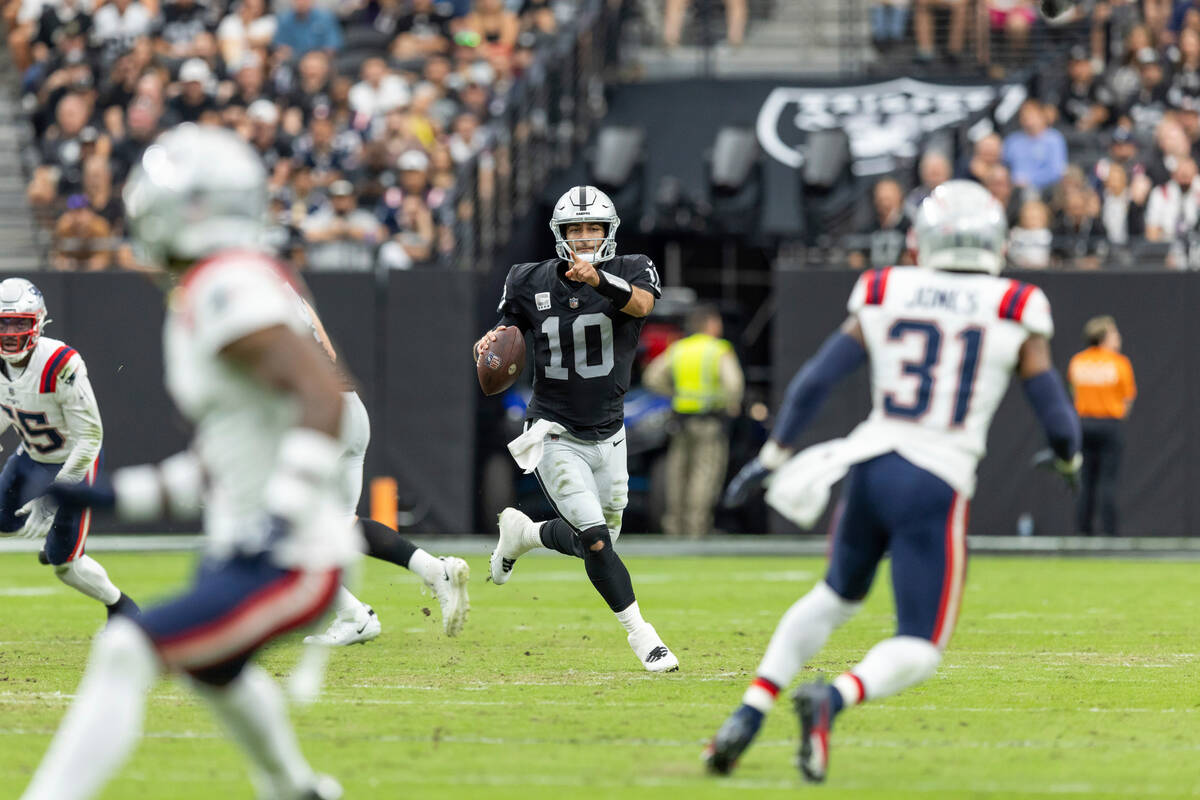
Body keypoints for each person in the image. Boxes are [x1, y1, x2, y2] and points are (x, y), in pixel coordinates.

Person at [705, 180, 1081, 782]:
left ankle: (748, 715)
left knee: (832, 598)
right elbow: (1057, 417)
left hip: (871, 465)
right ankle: (835, 699)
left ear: (923, 240)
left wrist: (773, 457)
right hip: (935, 479)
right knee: (920, 644)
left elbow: (814, 382)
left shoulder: (887, 288)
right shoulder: (1015, 303)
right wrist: (1068, 460)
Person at [20, 126, 355, 800]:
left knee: (125, 651)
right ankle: (298, 789)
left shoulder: (224, 283)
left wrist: (282, 517)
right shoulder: (217, 284)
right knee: (218, 673)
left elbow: (323, 398)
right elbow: (217, 464)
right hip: (250, 544)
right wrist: (113, 498)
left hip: (293, 553)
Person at [474, 185, 679, 673]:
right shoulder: (527, 279)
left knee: (603, 537)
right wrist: (490, 344)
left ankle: (524, 536)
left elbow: (643, 306)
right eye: (575, 229)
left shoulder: (632, 269)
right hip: (553, 431)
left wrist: (601, 281)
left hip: (610, 432)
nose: (584, 238)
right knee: (595, 540)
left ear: (609, 233)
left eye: (592, 229)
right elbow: (507, 331)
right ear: (560, 234)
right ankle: (643, 637)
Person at [295, 293, 470, 645]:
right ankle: (434, 570)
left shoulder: (241, 290)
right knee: (342, 523)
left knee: (278, 529)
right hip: (347, 406)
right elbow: (326, 351)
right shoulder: (283, 288)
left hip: (317, 413)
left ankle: (353, 615)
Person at [0, 278, 137, 619]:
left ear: (38, 322)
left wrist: (51, 500)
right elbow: (7, 407)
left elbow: (90, 438)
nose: (9, 332)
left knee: (65, 565)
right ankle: (52, 538)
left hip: (74, 463)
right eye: (3, 322)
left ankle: (122, 608)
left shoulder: (59, 362)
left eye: (19, 322)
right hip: (30, 457)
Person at [642, 305, 744, 538]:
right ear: (710, 324)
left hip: (681, 420)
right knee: (703, 474)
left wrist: (674, 394)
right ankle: (696, 528)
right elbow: (734, 384)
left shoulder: (679, 348)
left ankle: (674, 527)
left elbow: (652, 377)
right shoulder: (718, 349)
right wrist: (731, 404)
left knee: (678, 474)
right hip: (709, 421)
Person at [1068, 316, 1136, 535]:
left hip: (1083, 425)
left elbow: (1073, 392)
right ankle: (1110, 535)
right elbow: (1127, 400)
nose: (1118, 337)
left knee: (1085, 481)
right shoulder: (1119, 363)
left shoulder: (1077, 361)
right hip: (1109, 425)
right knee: (1108, 481)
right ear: (1104, 337)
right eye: (1114, 333)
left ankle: (1083, 532)